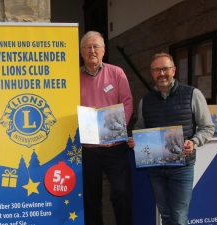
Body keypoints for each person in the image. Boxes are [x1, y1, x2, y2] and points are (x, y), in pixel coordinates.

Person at [127, 52, 215, 225]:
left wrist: (194, 142)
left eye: (165, 69)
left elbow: (207, 127)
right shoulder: (146, 100)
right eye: (156, 70)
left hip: (182, 167)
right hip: (156, 168)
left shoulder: (192, 94)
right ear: (152, 73)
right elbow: (140, 129)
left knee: (179, 216)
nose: (161, 74)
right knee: (165, 215)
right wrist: (135, 141)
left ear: (174, 70)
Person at [80, 31, 134, 225]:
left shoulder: (116, 72)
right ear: (81, 52)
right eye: (87, 47)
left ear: (103, 50)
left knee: (122, 192)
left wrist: (116, 132)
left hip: (116, 146)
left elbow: (127, 102)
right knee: (90, 197)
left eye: (96, 46)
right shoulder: (73, 77)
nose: (92, 50)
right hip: (87, 149)